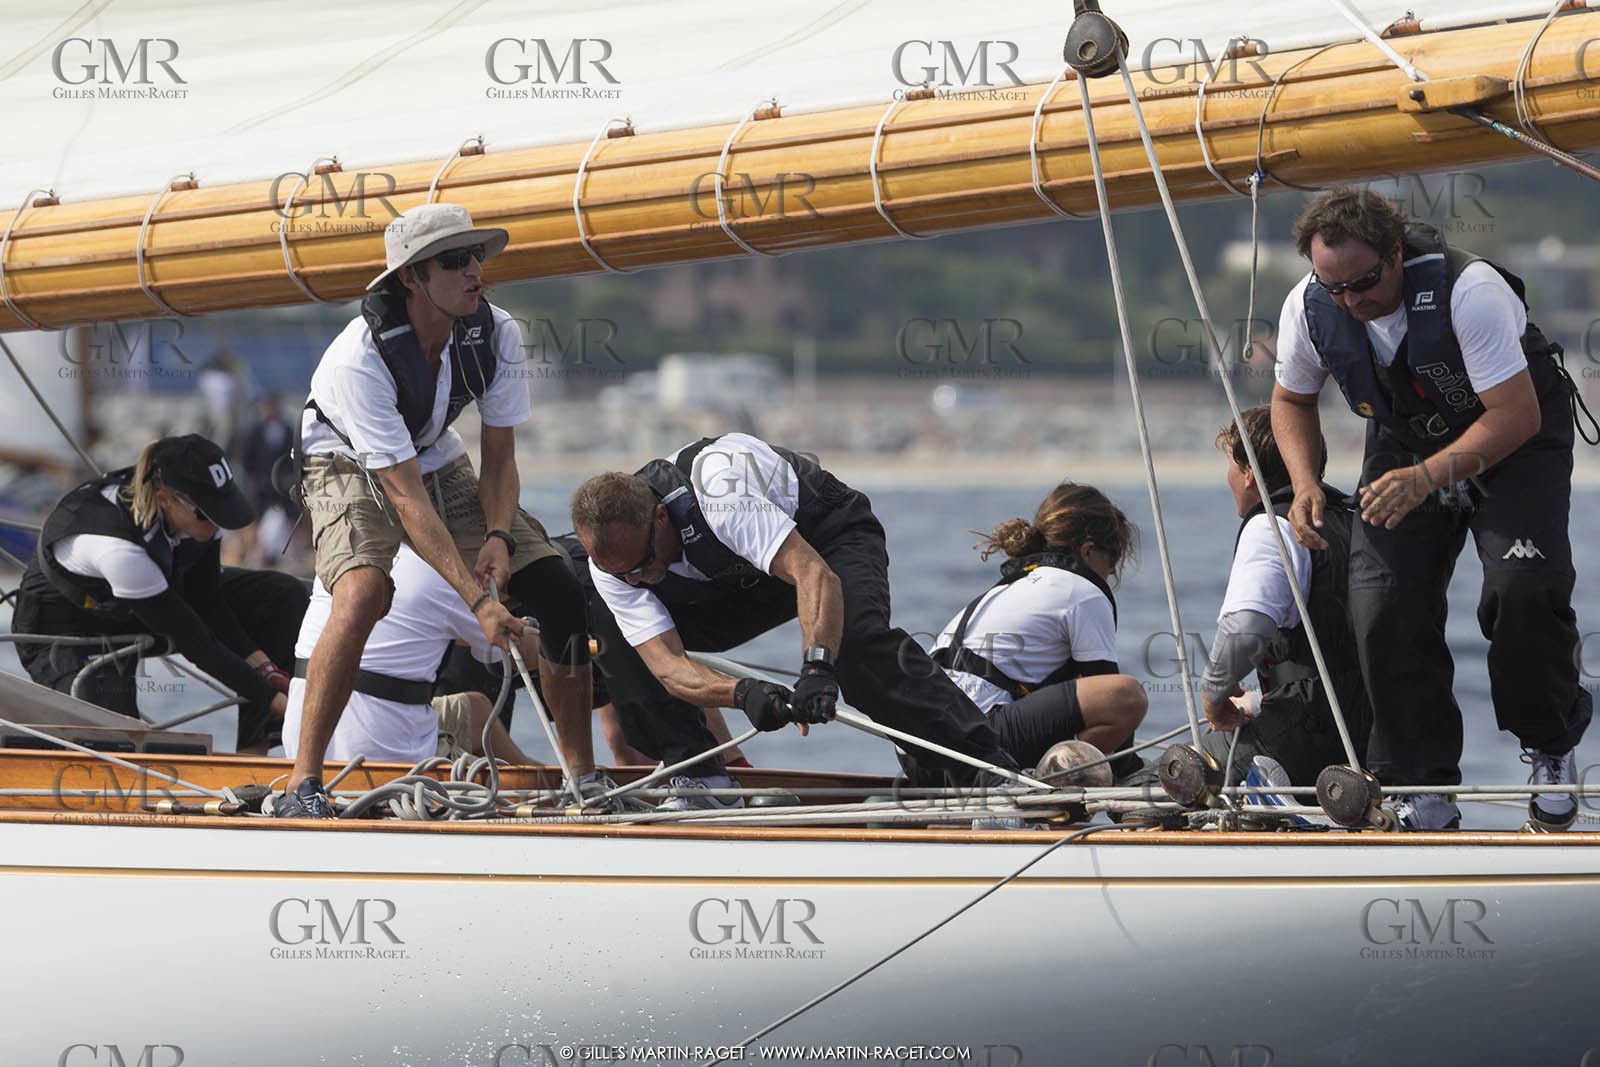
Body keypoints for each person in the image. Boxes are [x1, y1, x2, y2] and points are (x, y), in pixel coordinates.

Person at [1270, 185, 1593, 831]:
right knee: (1381, 604)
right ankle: (1423, 785)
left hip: (1513, 440)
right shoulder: (1310, 306)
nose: (1350, 301)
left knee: (1522, 589)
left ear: (1395, 252)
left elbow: (1516, 414)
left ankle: (1550, 745)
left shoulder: (1468, 291)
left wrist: (1426, 478)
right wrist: (1305, 481)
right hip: (1406, 440)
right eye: (1334, 287)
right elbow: (1291, 400)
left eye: (1363, 282)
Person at [285, 202, 591, 817]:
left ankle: (584, 780)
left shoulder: (497, 332)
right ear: (411, 278)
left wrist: (500, 534)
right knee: (363, 593)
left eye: (478, 256)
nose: (475, 271)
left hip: (429, 452)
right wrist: (480, 604)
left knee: (557, 587)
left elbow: (499, 458)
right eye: (454, 261)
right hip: (345, 458)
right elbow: (403, 496)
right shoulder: (359, 361)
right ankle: (302, 782)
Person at [569, 432, 1021, 810]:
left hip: (824, 539)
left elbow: (812, 573)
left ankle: (989, 773)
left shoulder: (721, 494)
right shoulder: (614, 569)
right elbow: (667, 666)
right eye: (621, 573)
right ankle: (702, 779)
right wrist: (744, 694)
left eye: (643, 561)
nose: (636, 578)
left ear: (662, 515)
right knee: (613, 630)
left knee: (856, 647)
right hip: (735, 583)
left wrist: (817, 668)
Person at [12, 435, 307, 753]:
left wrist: (264, 667)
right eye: (209, 514)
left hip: (148, 600)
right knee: (113, 735)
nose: (219, 522)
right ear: (167, 501)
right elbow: (196, 641)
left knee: (280, 596)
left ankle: (253, 759)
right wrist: (284, 704)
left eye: (224, 506)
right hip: (65, 627)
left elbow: (207, 602)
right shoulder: (116, 548)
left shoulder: (198, 513)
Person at [1198, 405, 1373, 787]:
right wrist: (1260, 703)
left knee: (1164, 780)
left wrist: (1214, 696)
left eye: (1231, 464)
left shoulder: (1271, 526)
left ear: (1247, 475)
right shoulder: (1357, 521)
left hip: (1309, 741)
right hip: (1375, 738)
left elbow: (1245, 629)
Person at [929, 482, 1148, 781]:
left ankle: (1041, 785)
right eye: (1112, 560)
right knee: (1127, 696)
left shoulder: (1017, 585)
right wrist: (1132, 783)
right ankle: (1047, 794)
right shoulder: (1082, 589)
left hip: (922, 748)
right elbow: (1109, 694)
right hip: (974, 739)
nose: (1111, 572)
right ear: (1088, 550)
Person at [283, 543, 559, 772]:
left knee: (474, 709)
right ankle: (541, 786)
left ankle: (536, 774)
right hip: (384, 754)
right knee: (497, 779)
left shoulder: (341, 552)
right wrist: (536, 630)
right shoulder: (443, 575)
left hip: (301, 741)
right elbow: (520, 654)